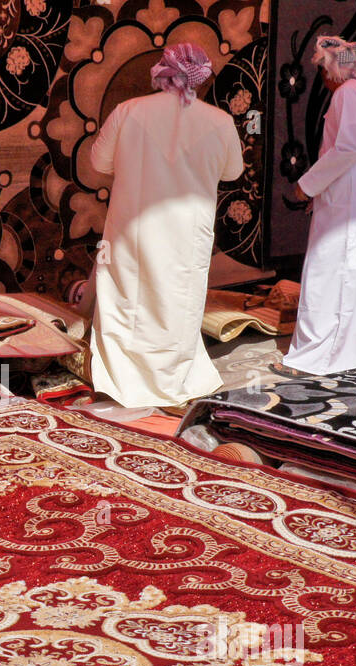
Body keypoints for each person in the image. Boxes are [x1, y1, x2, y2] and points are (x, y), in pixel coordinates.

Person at [87, 42, 244, 408]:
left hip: (132, 228)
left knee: (128, 301)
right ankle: (173, 377)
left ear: (162, 73)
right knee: (179, 302)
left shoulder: (128, 111)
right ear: (200, 79)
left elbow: (99, 162)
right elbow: (233, 171)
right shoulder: (219, 121)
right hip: (188, 232)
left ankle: (124, 378)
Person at [281, 36, 356, 376]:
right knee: (349, 277)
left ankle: (319, 356)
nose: (322, 79)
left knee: (329, 276)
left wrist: (306, 186)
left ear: (334, 70)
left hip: (347, 205)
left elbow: (347, 149)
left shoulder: (348, 95)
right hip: (352, 200)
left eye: (323, 70)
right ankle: (351, 351)